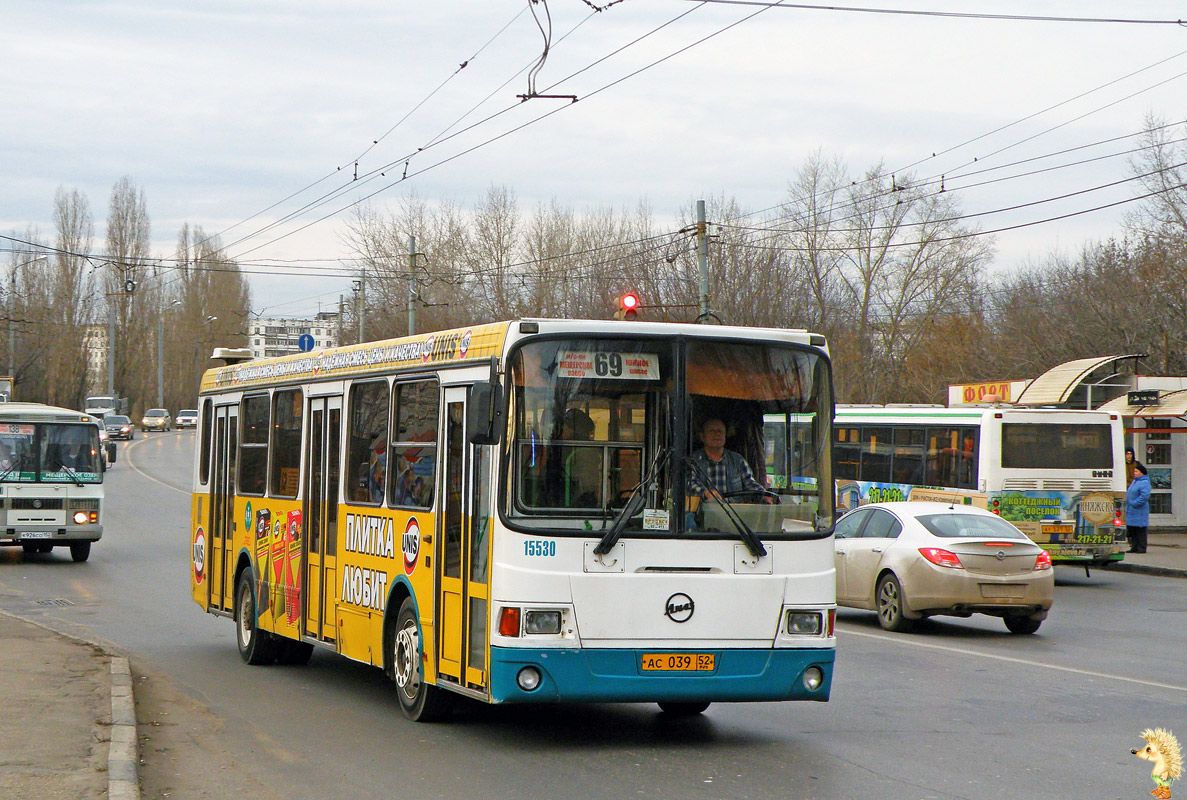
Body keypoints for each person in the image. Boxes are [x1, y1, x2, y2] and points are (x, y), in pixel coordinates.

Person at [687, 417, 771, 502]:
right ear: (702, 436)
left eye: (720, 431)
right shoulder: (693, 461)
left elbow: (750, 483)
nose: (717, 434)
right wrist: (706, 493)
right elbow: (690, 484)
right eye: (711, 431)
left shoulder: (737, 460)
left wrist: (764, 495)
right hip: (704, 513)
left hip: (733, 513)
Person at [1127, 461, 1151, 554]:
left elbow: (1144, 496)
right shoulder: (1135, 481)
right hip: (1132, 510)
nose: (1134, 473)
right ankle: (1134, 546)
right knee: (1133, 530)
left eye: (1136, 471)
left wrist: (1134, 503)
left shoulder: (1144, 482)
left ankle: (1141, 547)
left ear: (1142, 473)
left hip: (1139, 510)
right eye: (1134, 471)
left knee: (1140, 530)